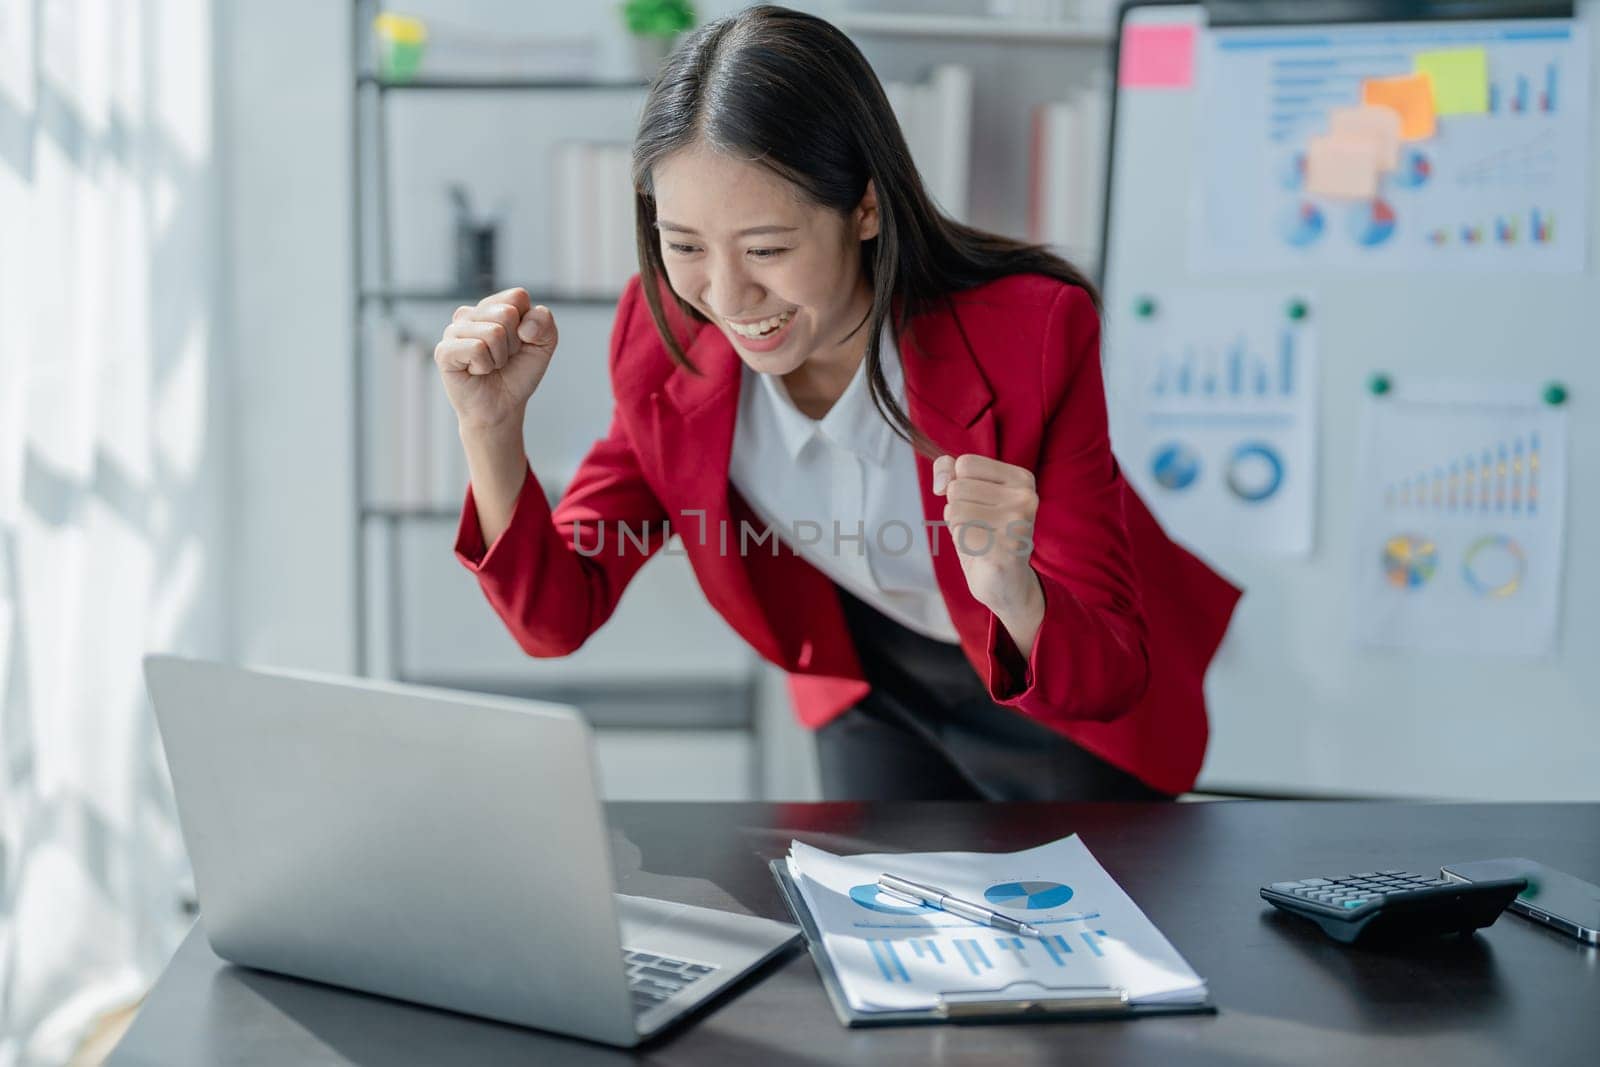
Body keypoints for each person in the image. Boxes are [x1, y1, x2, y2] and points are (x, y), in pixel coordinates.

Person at [435, 5, 1240, 802]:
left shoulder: (1029, 333)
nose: (726, 293)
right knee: (858, 924)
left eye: (767, 250)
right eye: (683, 245)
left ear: (865, 206)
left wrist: (1011, 589)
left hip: (1048, 677)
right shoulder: (660, 335)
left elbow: (1105, 674)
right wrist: (491, 428)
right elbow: (555, 616)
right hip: (867, 684)